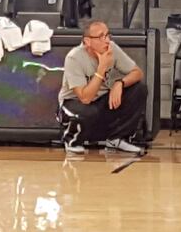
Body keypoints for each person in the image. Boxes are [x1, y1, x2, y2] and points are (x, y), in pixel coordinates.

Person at [58, 20, 148, 155]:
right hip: (73, 103)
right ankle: (72, 140)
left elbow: (137, 73)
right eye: (101, 37)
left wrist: (120, 83)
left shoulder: (112, 48)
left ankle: (117, 138)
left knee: (139, 89)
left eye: (107, 35)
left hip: (100, 100)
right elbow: (85, 98)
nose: (106, 41)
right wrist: (101, 69)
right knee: (88, 111)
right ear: (87, 41)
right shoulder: (74, 57)